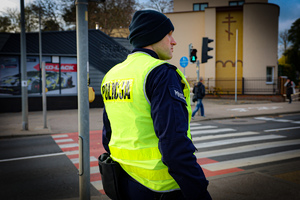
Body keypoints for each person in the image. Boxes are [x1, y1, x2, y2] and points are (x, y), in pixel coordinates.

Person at [100, 10, 211, 200]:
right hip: (162, 188)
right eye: (169, 34)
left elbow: (108, 136)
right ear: (153, 36)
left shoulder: (112, 75)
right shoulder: (160, 73)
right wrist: (199, 191)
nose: (174, 41)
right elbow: (174, 146)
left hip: (124, 183)